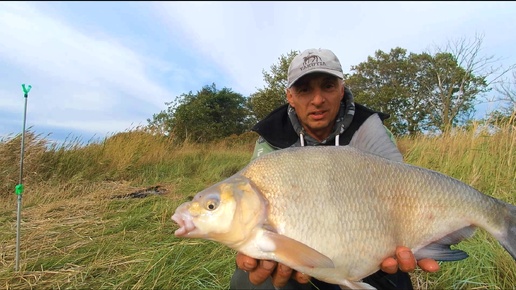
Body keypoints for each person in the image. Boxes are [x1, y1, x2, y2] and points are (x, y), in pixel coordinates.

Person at [229, 48, 440, 290]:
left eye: (327, 86)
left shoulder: (370, 129)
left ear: (341, 89)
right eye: (304, 89)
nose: (317, 99)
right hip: (301, 257)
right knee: (251, 281)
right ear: (289, 96)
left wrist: (414, 236)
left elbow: (401, 193)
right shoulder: (271, 140)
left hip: (371, 252)